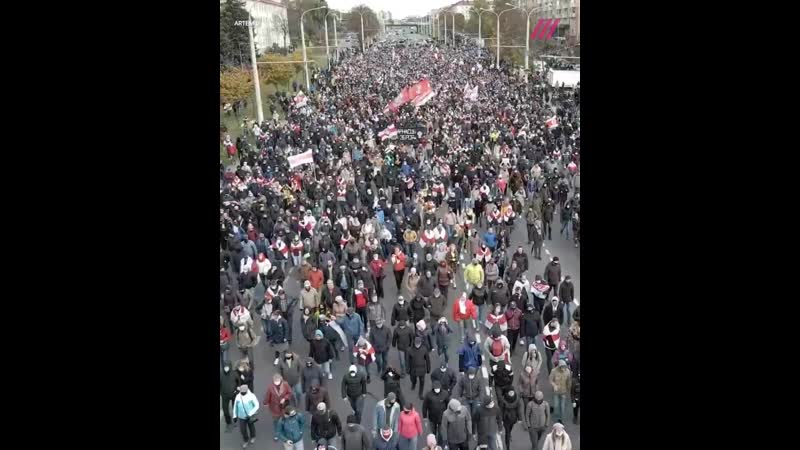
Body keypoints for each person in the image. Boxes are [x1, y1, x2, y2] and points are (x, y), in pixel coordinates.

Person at [455, 367, 483, 435]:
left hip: (475, 399)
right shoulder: (463, 379)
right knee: (467, 416)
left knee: (474, 416)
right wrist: (460, 397)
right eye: (470, 374)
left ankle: (474, 431)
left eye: (472, 374)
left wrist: (480, 400)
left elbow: (481, 390)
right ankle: (467, 431)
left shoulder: (478, 379)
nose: (471, 376)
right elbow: (460, 387)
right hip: (466, 399)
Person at [265, 374, 292, 440]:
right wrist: (265, 403)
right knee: (276, 421)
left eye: (277, 380)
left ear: (281, 380)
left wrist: (285, 398)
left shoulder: (285, 384)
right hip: (275, 407)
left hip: (284, 407)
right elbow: (268, 396)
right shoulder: (270, 387)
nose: (276, 382)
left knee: (285, 419)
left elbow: (289, 393)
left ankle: (285, 431)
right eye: (275, 381)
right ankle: (277, 433)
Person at [549, 359, 572, 423]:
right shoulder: (554, 371)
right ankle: (556, 418)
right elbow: (550, 380)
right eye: (562, 367)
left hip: (563, 392)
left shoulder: (567, 371)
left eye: (564, 367)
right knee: (556, 406)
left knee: (562, 406)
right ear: (559, 366)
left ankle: (561, 419)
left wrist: (569, 389)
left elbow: (568, 381)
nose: (563, 369)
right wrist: (554, 385)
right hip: (556, 392)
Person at [221, 361, 239, 432]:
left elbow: (238, 383)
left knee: (235, 408)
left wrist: (237, 391)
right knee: (225, 410)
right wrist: (221, 393)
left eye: (227, 367)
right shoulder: (221, 374)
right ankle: (228, 422)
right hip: (225, 395)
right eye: (225, 367)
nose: (226, 368)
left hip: (234, 394)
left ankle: (235, 420)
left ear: (230, 367)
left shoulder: (234, 374)